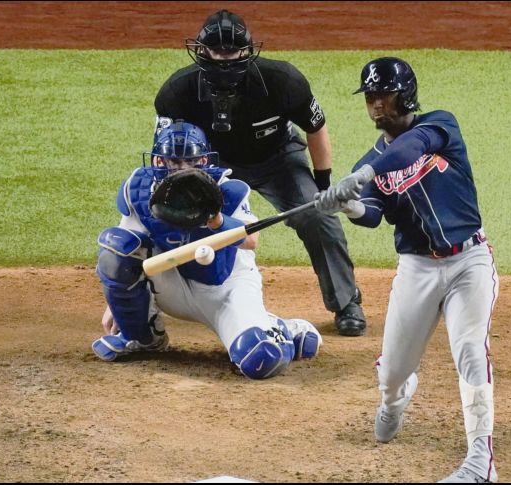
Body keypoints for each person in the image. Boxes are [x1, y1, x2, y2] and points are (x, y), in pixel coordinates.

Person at [316, 57, 500, 483]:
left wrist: (361, 174)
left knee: (471, 351)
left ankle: (480, 462)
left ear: (406, 94)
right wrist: (345, 204)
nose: (376, 103)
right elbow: (372, 215)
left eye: (384, 94)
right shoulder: (374, 159)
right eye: (370, 97)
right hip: (417, 269)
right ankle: (394, 398)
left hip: (469, 262)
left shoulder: (439, 126)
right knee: (394, 371)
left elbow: (409, 149)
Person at [153, 9, 367, 337]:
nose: (224, 59)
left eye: (232, 51)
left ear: (247, 50)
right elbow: (166, 150)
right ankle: (160, 300)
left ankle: (346, 301)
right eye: (217, 51)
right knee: (176, 215)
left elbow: (316, 127)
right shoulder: (177, 91)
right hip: (211, 167)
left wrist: (321, 185)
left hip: (278, 159)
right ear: (201, 50)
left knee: (317, 215)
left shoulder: (282, 81)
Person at [92, 120, 322, 379]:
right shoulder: (139, 190)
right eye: (174, 162)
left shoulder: (226, 191)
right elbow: (128, 248)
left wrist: (216, 220)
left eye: (191, 161)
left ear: (204, 161)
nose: (182, 169)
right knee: (116, 248)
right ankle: (142, 338)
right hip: (173, 284)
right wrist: (118, 300)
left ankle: (280, 328)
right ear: (158, 162)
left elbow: (251, 239)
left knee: (259, 359)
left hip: (225, 291)